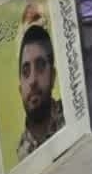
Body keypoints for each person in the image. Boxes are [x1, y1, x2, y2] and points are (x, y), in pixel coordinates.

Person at [15, 22, 64, 160]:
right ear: (20, 89)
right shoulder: (22, 153)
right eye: (26, 71)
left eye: (40, 66)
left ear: (52, 76)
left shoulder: (71, 118)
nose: (32, 80)